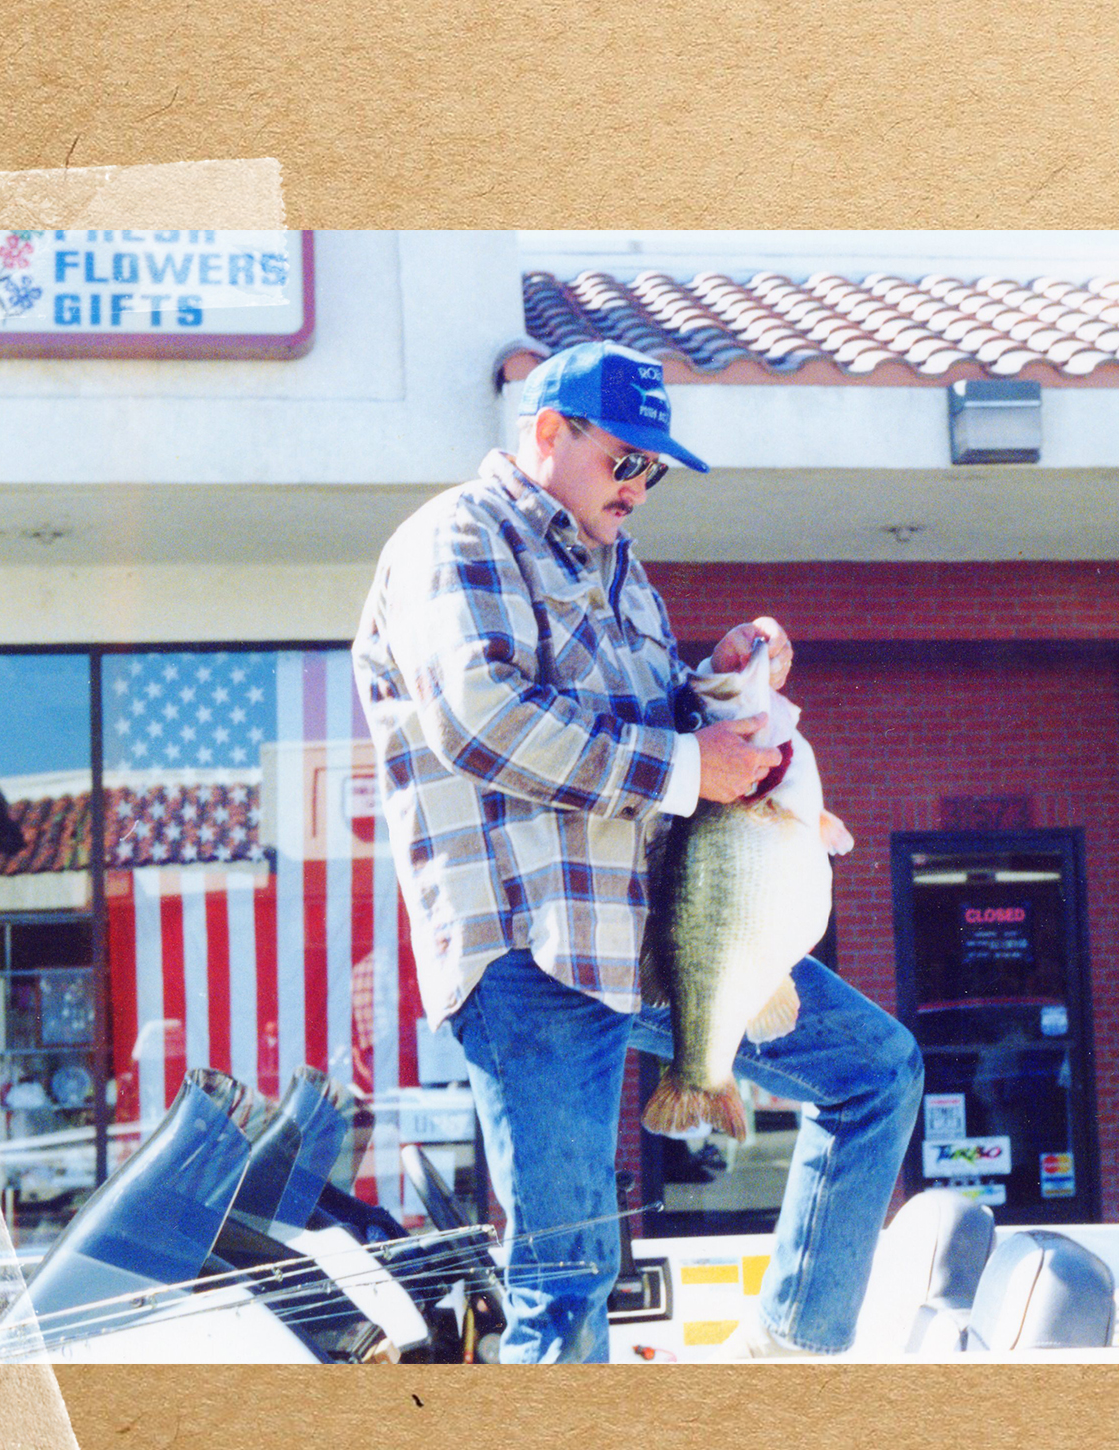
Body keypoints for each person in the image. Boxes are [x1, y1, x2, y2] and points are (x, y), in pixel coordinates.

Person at [352, 340, 923, 1363]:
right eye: (625, 461)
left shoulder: (617, 568)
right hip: (529, 954)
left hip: (654, 940)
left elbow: (654, 726)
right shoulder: (455, 538)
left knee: (875, 1072)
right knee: (564, 1281)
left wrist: (714, 681)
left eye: (653, 471)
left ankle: (787, 1356)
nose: (640, 488)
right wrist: (681, 765)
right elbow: (480, 722)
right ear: (544, 434)